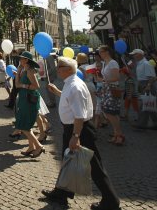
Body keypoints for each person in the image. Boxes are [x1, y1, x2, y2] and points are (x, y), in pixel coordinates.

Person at [40, 56, 121, 210]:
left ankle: (111, 202)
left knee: (95, 167)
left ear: (68, 69)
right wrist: (58, 92)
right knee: (67, 161)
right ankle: (61, 194)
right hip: (72, 129)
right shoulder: (70, 84)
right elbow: (69, 100)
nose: (57, 69)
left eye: (60, 66)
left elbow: (79, 115)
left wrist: (75, 136)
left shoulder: (75, 86)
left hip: (79, 130)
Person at [14, 51, 44, 157]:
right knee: (26, 125)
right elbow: (17, 84)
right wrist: (18, 72)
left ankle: (39, 146)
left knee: (23, 126)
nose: (19, 60)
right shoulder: (23, 70)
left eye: (21, 58)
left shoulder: (30, 71)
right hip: (24, 99)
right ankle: (31, 147)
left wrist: (24, 86)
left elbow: (36, 86)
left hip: (28, 100)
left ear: (26, 60)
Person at [132, 49, 157, 131]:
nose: (133, 56)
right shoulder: (140, 63)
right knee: (150, 105)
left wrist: (148, 85)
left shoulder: (146, 63)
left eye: (135, 54)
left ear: (140, 55)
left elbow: (151, 77)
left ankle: (142, 123)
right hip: (143, 84)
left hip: (147, 84)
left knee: (145, 104)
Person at [99, 45, 124, 145]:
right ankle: (117, 134)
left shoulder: (113, 63)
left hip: (112, 89)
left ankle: (119, 134)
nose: (99, 54)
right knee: (110, 112)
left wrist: (104, 80)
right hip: (107, 88)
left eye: (101, 52)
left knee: (110, 112)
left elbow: (116, 77)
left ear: (107, 52)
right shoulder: (105, 63)